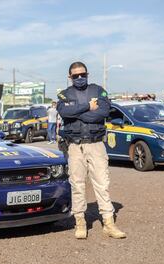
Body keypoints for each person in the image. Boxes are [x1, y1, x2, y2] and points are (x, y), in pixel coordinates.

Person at [57, 61, 126, 240]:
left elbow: (103, 112)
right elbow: (65, 113)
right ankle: (80, 222)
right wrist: (88, 107)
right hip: (75, 146)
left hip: (96, 145)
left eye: (83, 75)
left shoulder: (98, 90)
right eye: (75, 76)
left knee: (102, 184)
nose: (80, 78)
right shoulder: (64, 95)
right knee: (77, 184)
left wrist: (77, 112)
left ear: (87, 74)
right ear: (69, 77)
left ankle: (109, 223)